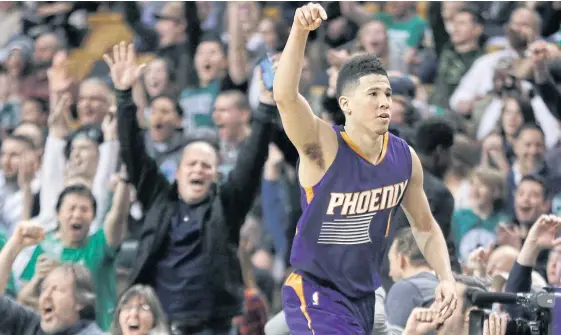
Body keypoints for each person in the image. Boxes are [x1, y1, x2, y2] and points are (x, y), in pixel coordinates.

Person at [273, 4, 457, 334]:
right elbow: (286, 97)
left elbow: (425, 226)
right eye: (372, 93)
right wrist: (300, 31)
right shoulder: (324, 147)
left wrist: (445, 277)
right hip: (318, 291)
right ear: (346, 104)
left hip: (365, 297)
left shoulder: (404, 157)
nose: (384, 101)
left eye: (387, 93)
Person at [104, 42, 277, 335]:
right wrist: (124, 96)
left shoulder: (226, 204)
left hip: (213, 326)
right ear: (178, 171)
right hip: (160, 325)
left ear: (215, 175)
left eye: (206, 166)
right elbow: (134, 152)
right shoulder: (159, 198)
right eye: (192, 164)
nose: (198, 169)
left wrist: (265, 108)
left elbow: (250, 162)